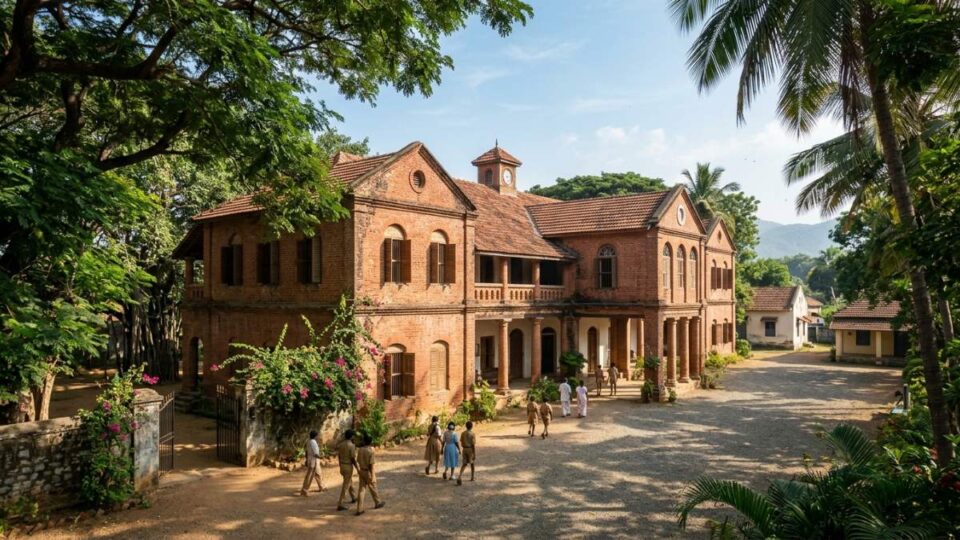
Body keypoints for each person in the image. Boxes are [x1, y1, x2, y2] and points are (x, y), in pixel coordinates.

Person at [355, 434, 385, 515]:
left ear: (364, 441)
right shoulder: (371, 451)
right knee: (373, 486)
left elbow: (358, 461)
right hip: (368, 471)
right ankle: (377, 502)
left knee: (361, 490)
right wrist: (373, 475)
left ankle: (359, 509)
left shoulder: (360, 450)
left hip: (362, 470)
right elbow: (371, 465)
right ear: (370, 442)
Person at [336, 429, 358, 511]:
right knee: (346, 484)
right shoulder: (352, 446)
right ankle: (341, 503)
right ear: (352, 436)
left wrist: (340, 465)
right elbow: (353, 459)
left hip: (342, 465)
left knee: (349, 481)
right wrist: (357, 467)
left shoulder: (341, 445)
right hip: (348, 466)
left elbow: (339, 456)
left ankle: (353, 497)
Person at [300, 429, 324, 496]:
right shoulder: (313, 442)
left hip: (310, 460)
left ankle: (321, 486)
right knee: (309, 476)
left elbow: (306, 452)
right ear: (315, 436)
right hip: (313, 461)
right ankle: (304, 490)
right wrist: (321, 457)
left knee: (316, 474)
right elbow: (316, 453)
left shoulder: (308, 441)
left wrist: (307, 459)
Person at [457, 421, 476, 486]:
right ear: (472, 426)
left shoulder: (463, 433)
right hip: (470, 449)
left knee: (464, 464)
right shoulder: (472, 434)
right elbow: (473, 444)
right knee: (472, 463)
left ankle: (460, 476)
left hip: (464, 449)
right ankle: (472, 477)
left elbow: (461, 441)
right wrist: (474, 453)